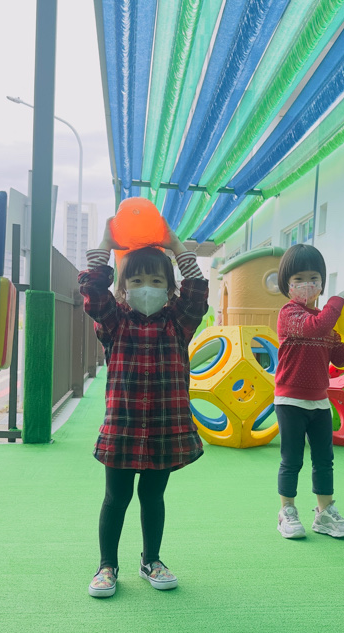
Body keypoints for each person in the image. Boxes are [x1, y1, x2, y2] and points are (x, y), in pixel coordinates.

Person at [79, 219, 208, 598]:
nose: (146, 287)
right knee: (115, 498)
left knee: (153, 497)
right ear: (123, 289)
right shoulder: (114, 322)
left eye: (156, 280)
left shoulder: (179, 323)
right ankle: (107, 565)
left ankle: (151, 560)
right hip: (123, 428)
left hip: (166, 429)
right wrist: (106, 242)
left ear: (169, 288)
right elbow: (93, 289)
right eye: (136, 281)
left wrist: (176, 246)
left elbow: (197, 290)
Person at [273, 243, 344, 540]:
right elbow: (314, 327)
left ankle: (325, 513)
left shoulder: (326, 322)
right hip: (290, 401)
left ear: (321, 281)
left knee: (324, 460)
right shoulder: (290, 313)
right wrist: (337, 301)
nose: (307, 284)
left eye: (313, 278)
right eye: (299, 279)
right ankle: (287, 511)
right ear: (287, 284)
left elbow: (338, 357)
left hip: (319, 402)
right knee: (292, 459)